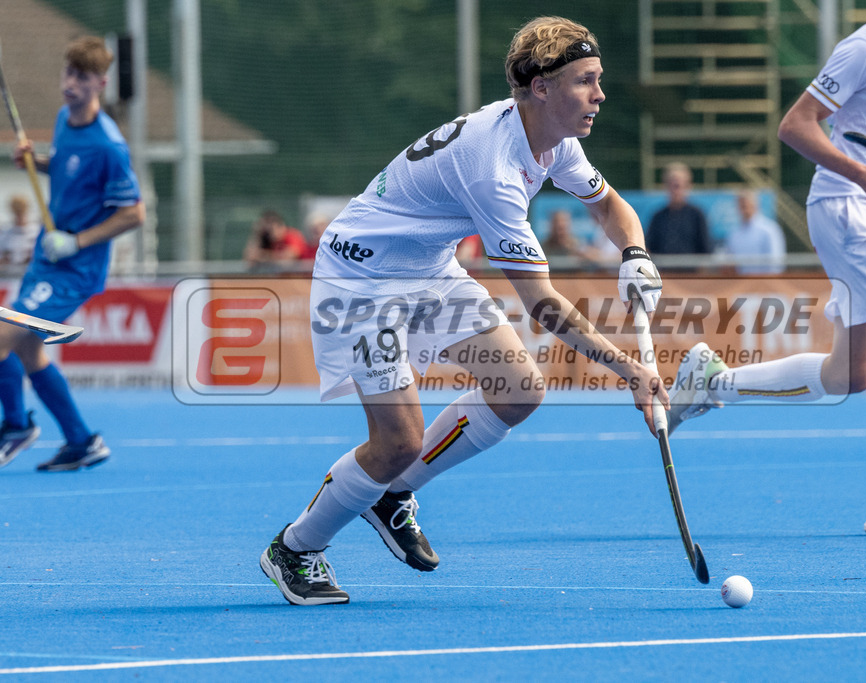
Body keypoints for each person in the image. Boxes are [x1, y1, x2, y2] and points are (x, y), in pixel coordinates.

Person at [260, 16, 668, 605]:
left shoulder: (553, 140)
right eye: (585, 81)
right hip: (362, 280)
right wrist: (631, 370)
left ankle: (389, 494)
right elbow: (544, 308)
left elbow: (611, 208)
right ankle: (295, 548)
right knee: (398, 440)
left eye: (598, 79)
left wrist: (635, 254)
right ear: (540, 88)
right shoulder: (494, 172)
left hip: (426, 267)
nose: (599, 95)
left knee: (518, 389)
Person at [667, 0, 866, 537]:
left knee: (847, 376)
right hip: (846, 209)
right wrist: (862, 175)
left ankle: (712, 382)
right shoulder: (865, 49)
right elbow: (794, 124)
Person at [2, 36, 144, 471]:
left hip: (74, 266)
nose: (71, 84)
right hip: (49, 258)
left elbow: (133, 213)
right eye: (68, 74)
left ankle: (14, 427)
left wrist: (77, 241)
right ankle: (82, 442)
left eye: (81, 78)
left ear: (100, 83)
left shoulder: (109, 146)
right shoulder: (65, 119)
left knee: (4, 338)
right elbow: (67, 167)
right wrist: (37, 161)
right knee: (27, 350)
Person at [644, 162, 712, 256]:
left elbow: (706, 250)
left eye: (678, 186)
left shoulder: (697, 216)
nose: (675, 191)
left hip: (691, 270)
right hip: (663, 270)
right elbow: (649, 247)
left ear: (688, 186)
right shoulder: (658, 217)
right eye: (671, 186)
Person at [724, 190, 786, 275]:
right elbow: (730, 262)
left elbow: (775, 264)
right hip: (740, 285)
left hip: (765, 284)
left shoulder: (769, 230)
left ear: (755, 205)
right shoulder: (734, 234)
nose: (743, 208)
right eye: (740, 205)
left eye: (745, 205)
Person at [0, 195, 41, 267]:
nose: (19, 213)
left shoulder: (37, 232)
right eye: (17, 210)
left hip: (31, 274)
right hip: (9, 275)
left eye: (21, 210)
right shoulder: (4, 234)